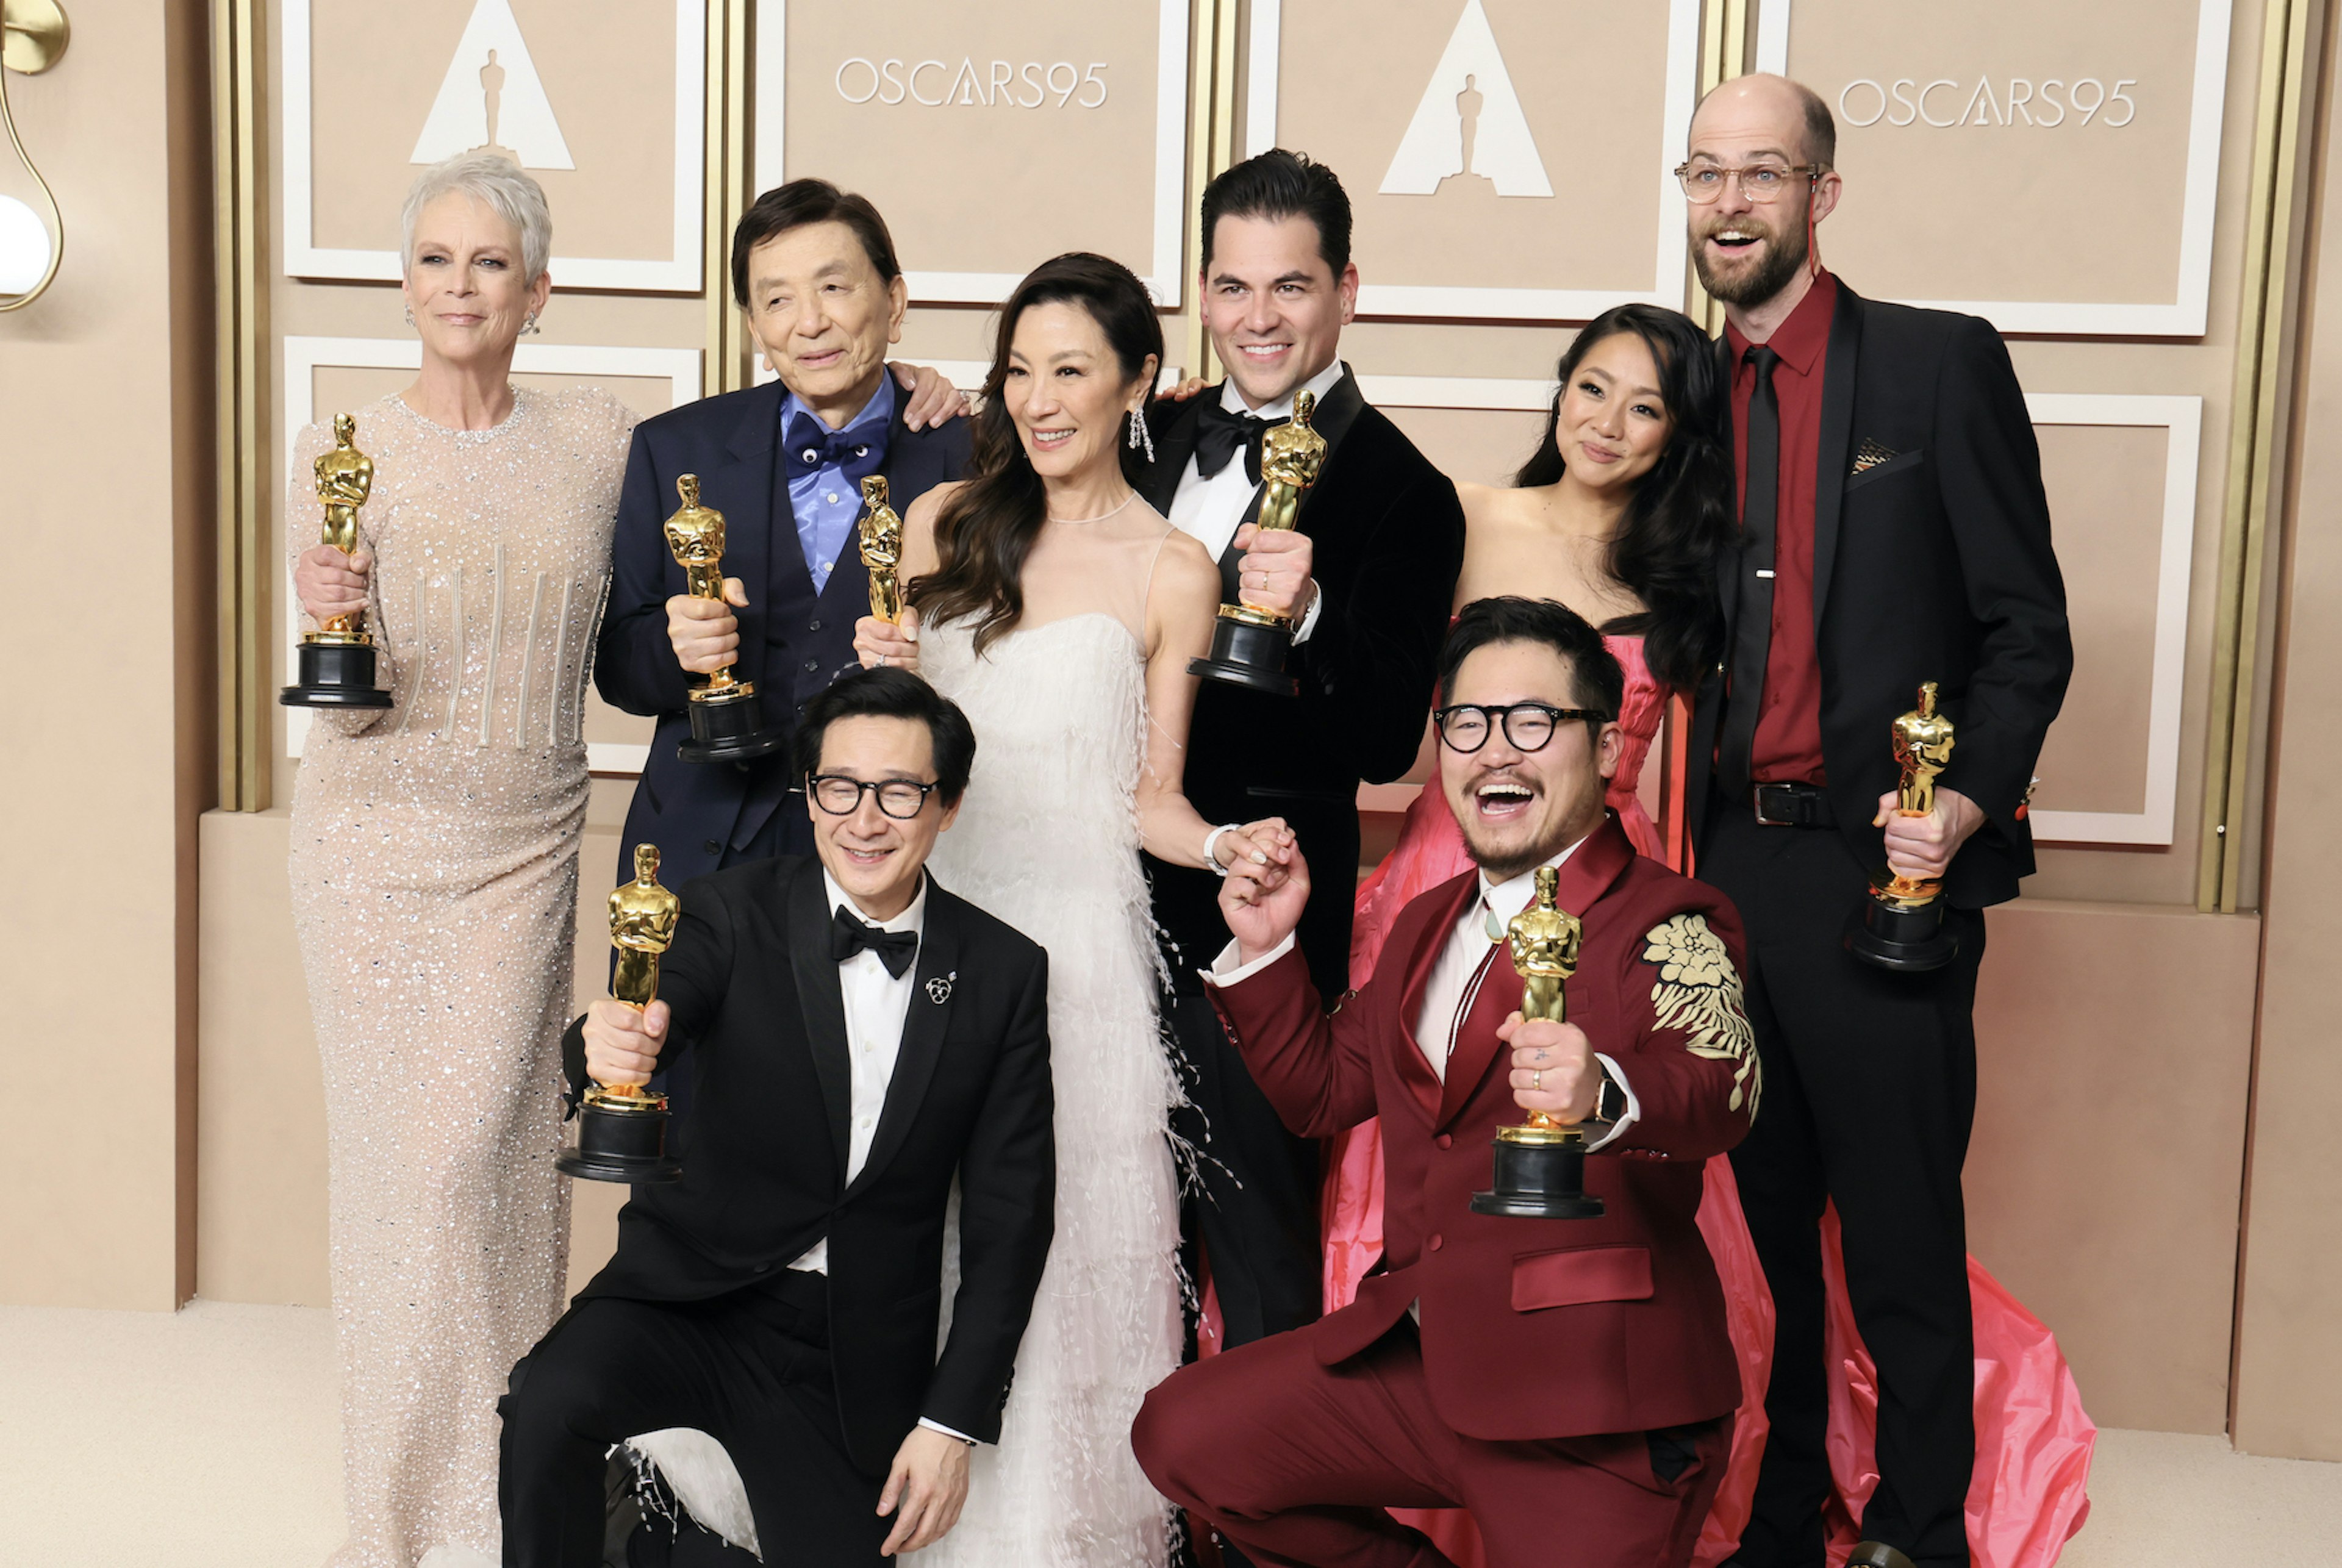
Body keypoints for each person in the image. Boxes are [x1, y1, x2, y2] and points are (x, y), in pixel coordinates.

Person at [1132, 596, 1759, 1568]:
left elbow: (1723, 1086)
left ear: (1602, 750)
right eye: (1466, 723)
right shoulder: (1428, 921)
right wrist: (1267, 954)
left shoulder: (1668, 916)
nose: (1493, 750)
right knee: (1185, 1435)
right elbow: (1322, 1093)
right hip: (1425, 1361)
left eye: (1532, 722)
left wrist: (1605, 1088)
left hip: (1595, 1408)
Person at [1678, 76, 2078, 1568]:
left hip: (1883, 871)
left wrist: (1961, 800)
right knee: (1763, 1242)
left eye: (1761, 174)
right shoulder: (1680, 391)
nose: (1729, 202)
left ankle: (1919, 1535)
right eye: (1705, 173)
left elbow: (2024, 629)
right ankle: (1782, 1526)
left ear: (1820, 196)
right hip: (1731, 870)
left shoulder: (1932, 367)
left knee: (1899, 1238)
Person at [850, 251, 1292, 1567]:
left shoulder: (1173, 568)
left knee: (1065, 1273)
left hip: (1081, 964)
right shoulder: (940, 525)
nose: (1039, 399)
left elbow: (1148, 795)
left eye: (1073, 371)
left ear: (1138, 382)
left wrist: (1225, 844)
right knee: (918, 1247)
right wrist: (876, 677)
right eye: (1020, 369)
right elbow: (887, 758)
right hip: (941, 927)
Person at [1327, 305, 1777, 1566]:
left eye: (1645, 406)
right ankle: (1411, 1459)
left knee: (1588, 1161)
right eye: (1592, 388)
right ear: (1559, 391)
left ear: (1679, 435)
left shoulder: (1688, 575)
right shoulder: (1469, 514)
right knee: (1417, 1137)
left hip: (1601, 891)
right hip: (1450, 867)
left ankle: (1568, 1462)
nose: (1607, 424)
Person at [496, 668, 1057, 1567]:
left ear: (946, 805)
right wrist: (606, 1041)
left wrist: (952, 1419)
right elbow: (654, 1008)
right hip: (692, 1289)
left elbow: (1012, 1221)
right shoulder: (727, 910)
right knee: (547, 1400)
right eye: (839, 787)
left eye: (900, 791)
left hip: (845, 1354)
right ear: (809, 794)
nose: (864, 819)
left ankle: (656, 1541)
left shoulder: (1003, 973)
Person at [285, 151, 639, 1568]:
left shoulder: (606, 448)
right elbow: (347, 696)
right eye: (435, 259)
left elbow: (747, 467)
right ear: (407, 282)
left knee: (490, 1171)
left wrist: (919, 395)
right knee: (398, 1186)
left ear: (538, 290)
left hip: (523, 848)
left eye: (488, 263)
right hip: (369, 847)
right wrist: (321, 607)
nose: (458, 286)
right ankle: (399, 1521)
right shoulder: (340, 447)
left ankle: (509, 1506)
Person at [1137, 148, 1467, 1372]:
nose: (1256, 318)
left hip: (1263, 896)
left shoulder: (1405, 491)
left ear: (1347, 290)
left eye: (1289, 287)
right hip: (1107, 878)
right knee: (1115, 1227)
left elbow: (1387, 742)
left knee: (1260, 1225)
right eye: (1231, 288)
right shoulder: (1153, 436)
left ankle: (1268, 1523)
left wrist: (1316, 608)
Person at [595, 178, 973, 895]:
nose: (810, 323)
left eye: (834, 288)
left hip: (889, 860)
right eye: (778, 300)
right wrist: (673, 648)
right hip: (692, 857)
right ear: (753, 326)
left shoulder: (971, 455)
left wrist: (935, 667)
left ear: (894, 302)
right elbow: (618, 670)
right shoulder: (673, 449)